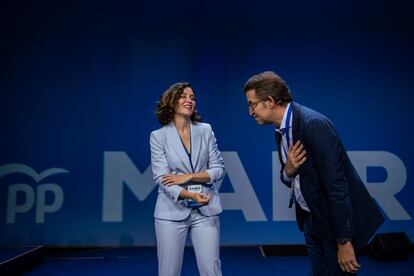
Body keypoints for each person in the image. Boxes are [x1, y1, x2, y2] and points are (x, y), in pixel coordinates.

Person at [243, 71, 384, 275]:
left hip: (333, 224)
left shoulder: (313, 125)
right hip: (311, 219)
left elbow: (337, 186)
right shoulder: (281, 129)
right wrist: (288, 171)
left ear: (270, 101)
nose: (250, 111)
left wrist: (344, 240)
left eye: (252, 104)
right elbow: (292, 176)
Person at [150, 82, 224, 276]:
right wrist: (187, 194)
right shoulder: (158, 136)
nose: (189, 100)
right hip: (171, 212)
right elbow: (162, 178)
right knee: (169, 272)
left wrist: (189, 176)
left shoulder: (205, 130)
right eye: (183, 96)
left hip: (206, 209)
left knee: (212, 270)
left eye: (192, 97)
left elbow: (218, 169)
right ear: (172, 102)